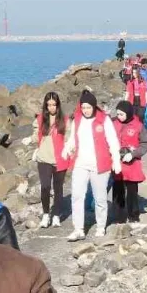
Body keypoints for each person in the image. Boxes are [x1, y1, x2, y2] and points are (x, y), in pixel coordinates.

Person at [59, 90, 122, 240]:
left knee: (100, 198)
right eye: (83, 107)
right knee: (77, 196)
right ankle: (78, 229)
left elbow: (113, 141)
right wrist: (67, 149)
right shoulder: (78, 120)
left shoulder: (104, 120)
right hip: (81, 163)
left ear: (94, 106)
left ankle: (101, 227)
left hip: (100, 165)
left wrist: (116, 160)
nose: (86, 110)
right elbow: (73, 138)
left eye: (88, 107)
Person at [33, 92, 72, 229]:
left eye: (54, 105)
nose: (51, 108)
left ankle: (56, 214)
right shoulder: (40, 119)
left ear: (58, 105)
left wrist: (67, 151)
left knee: (58, 188)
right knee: (45, 186)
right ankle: (45, 214)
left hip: (59, 159)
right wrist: (31, 143)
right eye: (48, 105)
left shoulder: (65, 120)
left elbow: (69, 139)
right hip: (43, 158)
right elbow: (36, 136)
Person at [112, 101, 147, 225]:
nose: (119, 117)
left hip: (132, 164)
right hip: (117, 163)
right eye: (117, 114)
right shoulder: (113, 124)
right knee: (118, 191)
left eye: (121, 114)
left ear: (128, 113)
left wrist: (133, 154)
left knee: (132, 191)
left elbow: (145, 144)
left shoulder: (138, 126)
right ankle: (119, 216)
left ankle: (133, 215)